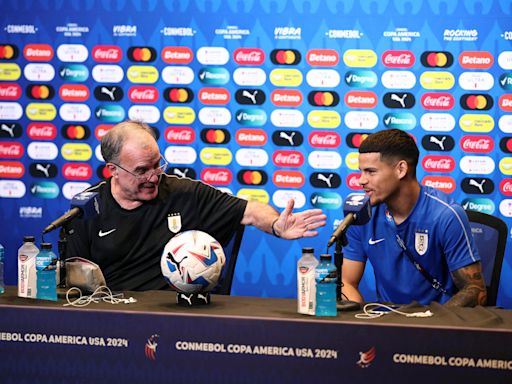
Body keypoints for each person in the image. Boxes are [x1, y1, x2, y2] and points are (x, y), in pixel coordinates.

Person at [66, 120, 326, 291]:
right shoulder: (86, 208)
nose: (154, 176)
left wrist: (275, 224)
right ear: (113, 170)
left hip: (178, 318)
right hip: (114, 318)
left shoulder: (185, 193)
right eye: (142, 171)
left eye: (157, 164)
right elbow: (75, 281)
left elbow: (250, 211)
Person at [342, 129, 486, 307]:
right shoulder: (361, 214)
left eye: (371, 172)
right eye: (361, 171)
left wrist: (429, 326)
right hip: (385, 323)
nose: (361, 180)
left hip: (437, 323)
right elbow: (347, 283)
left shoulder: (446, 215)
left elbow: (475, 290)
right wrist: (360, 324)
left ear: (401, 169)